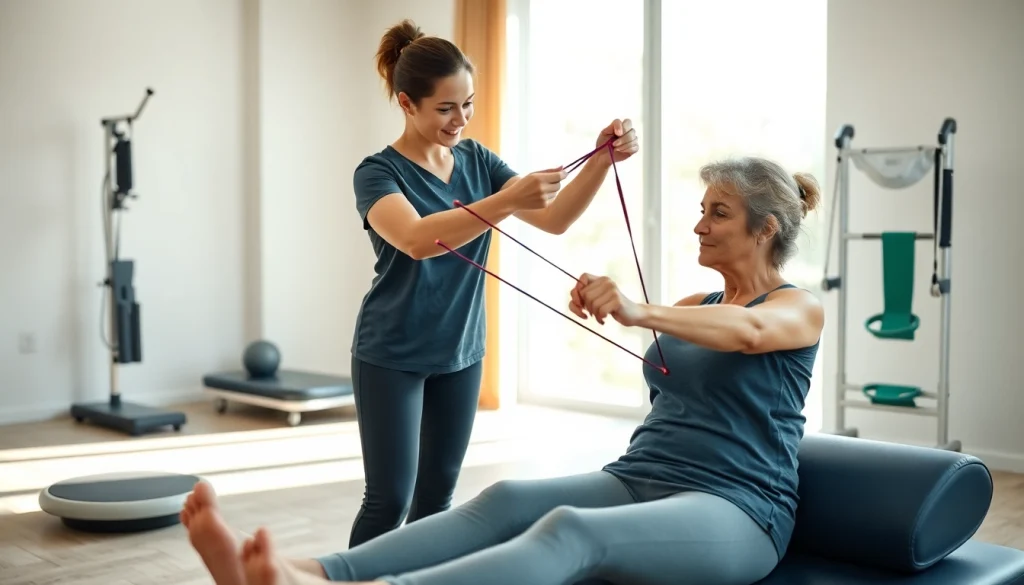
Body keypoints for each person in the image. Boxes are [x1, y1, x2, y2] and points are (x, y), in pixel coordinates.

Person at [181, 155, 826, 585]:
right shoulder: (694, 306)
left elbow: (750, 334)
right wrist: (616, 304)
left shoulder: (798, 309)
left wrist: (635, 309)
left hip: (739, 508)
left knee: (570, 533)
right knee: (509, 498)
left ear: (765, 229)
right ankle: (314, 573)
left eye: (718, 213)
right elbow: (700, 340)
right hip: (641, 475)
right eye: (703, 209)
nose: (698, 225)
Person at [344, 19, 639, 547]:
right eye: (446, 108)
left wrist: (601, 160)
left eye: (468, 104)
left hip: (461, 350)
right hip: (391, 352)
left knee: (437, 498)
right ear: (407, 103)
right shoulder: (376, 173)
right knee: (388, 498)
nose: (461, 120)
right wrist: (506, 200)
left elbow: (554, 218)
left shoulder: (476, 160)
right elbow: (415, 238)